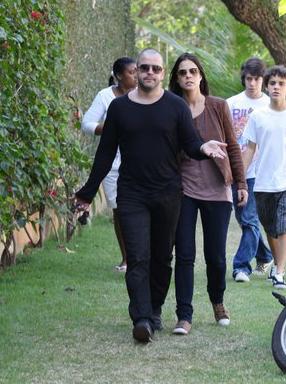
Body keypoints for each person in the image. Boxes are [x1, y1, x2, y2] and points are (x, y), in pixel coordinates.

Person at [75, 48, 228, 343]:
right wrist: (87, 192)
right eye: (144, 68)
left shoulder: (175, 106)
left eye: (156, 69)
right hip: (132, 193)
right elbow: (105, 154)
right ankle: (142, 318)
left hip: (168, 194)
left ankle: (155, 308)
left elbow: (191, 142)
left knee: (161, 258)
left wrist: (203, 149)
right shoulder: (119, 108)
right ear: (137, 71)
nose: (149, 73)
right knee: (138, 257)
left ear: (162, 72)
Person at [169, 53, 248, 335]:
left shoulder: (218, 106)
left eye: (192, 71)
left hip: (217, 190)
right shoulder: (172, 108)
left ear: (201, 75)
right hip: (184, 190)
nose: (188, 76)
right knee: (185, 255)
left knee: (215, 256)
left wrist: (241, 183)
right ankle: (184, 315)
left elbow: (233, 147)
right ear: (176, 79)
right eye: (182, 73)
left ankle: (218, 302)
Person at [81, 57, 137, 272]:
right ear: (119, 76)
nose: (137, 75)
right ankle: (127, 259)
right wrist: (110, 128)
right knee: (120, 211)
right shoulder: (105, 97)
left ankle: (144, 256)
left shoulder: (144, 96)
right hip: (114, 165)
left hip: (141, 162)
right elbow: (87, 124)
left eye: (137, 71)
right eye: (132, 72)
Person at [227, 57, 273, 283]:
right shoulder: (231, 103)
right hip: (236, 169)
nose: (252, 83)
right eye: (248, 78)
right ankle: (265, 255)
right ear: (243, 79)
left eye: (256, 79)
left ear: (263, 80)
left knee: (249, 218)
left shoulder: (269, 105)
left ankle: (240, 266)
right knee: (244, 218)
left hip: (260, 171)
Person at [243, 65, 286, 289]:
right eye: (273, 83)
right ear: (267, 86)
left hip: (285, 182)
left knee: (282, 226)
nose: (277, 87)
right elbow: (250, 148)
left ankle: (280, 271)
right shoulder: (258, 116)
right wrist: (241, 176)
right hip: (263, 183)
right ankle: (276, 265)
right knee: (270, 227)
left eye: (281, 83)